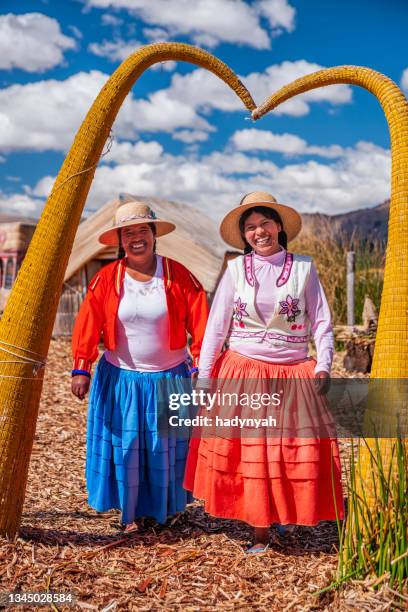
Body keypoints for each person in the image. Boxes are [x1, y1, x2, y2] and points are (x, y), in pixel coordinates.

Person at [183, 191, 344, 552]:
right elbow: (217, 327)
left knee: (289, 451)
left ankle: (287, 514)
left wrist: (324, 364)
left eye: (265, 223)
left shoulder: (304, 268)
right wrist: (206, 377)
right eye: (251, 227)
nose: (259, 232)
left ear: (279, 227)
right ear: (244, 235)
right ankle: (259, 530)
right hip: (244, 372)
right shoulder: (236, 271)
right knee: (252, 453)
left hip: (292, 372)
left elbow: (321, 321)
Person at [71, 195, 209, 529]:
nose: (136, 237)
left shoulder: (178, 276)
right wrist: (81, 367)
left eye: (142, 230)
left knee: (164, 446)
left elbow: (201, 321)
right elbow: (88, 324)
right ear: (119, 240)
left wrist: (201, 366)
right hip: (123, 380)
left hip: (170, 378)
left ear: (153, 234)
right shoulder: (106, 280)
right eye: (127, 232)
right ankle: (130, 512)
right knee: (128, 445)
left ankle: (166, 509)